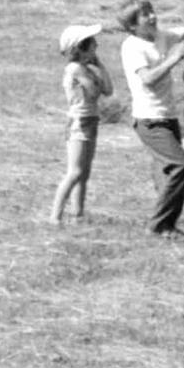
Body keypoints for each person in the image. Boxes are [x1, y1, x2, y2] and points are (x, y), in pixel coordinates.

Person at [115, 0, 184, 238]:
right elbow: (148, 79)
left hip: (168, 116)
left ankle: (167, 227)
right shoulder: (132, 47)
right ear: (133, 25)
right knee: (181, 165)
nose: (152, 16)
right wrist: (176, 57)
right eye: (145, 15)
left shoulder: (162, 36)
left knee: (170, 175)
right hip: (149, 120)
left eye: (151, 11)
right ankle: (157, 225)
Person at [50, 23, 112, 224]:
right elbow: (95, 91)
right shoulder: (76, 68)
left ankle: (78, 213)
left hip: (91, 120)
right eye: (92, 42)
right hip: (79, 122)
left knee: (84, 173)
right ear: (81, 47)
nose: (97, 45)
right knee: (75, 171)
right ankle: (55, 216)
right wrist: (96, 72)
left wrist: (100, 65)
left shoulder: (86, 68)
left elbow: (109, 90)